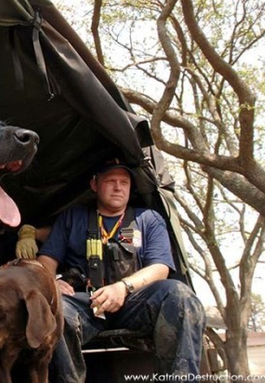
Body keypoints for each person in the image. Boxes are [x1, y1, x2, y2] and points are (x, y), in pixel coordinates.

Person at [33, 159, 206, 382]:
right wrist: (52, 283)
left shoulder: (148, 219)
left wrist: (123, 287)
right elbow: (46, 261)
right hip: (87, 303)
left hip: (134, 302)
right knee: (55, 309)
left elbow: (160, 268)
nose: (118, 187)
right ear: (95, 185)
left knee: (180, 296)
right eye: (110, 181)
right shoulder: (72, 217)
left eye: (124, 182)